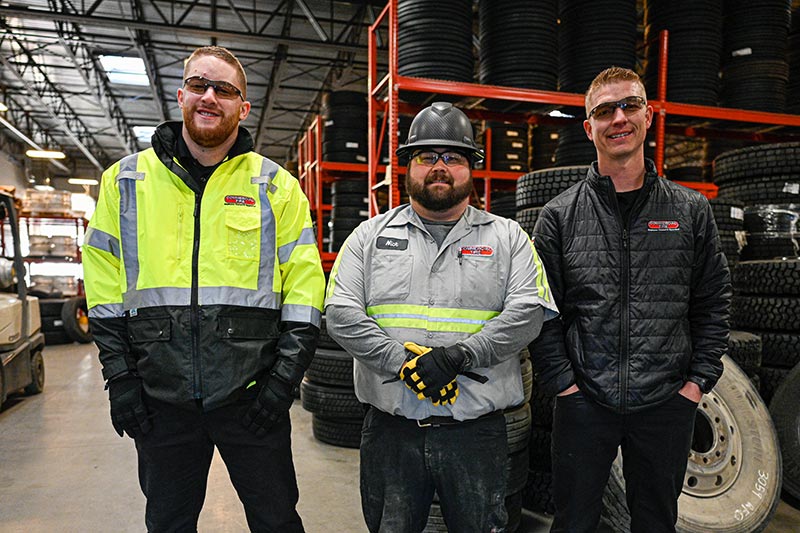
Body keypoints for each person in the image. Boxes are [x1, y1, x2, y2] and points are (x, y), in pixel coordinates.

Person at [83, 45, 325, 532]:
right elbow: (104, 286)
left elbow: (304, 286)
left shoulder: (275, 186)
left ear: (243, 107)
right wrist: (121, 380)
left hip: (252, 396)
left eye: (225, 89)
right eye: (199, 85)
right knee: (168, 523)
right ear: (181, 94)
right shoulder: (125, 181)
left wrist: (283, 384)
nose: (210, 97)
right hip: (161, 397)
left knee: (277, 521)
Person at [324, 101, 558, 532]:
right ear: (408, 167)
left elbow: (528, 314)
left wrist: (457, 358)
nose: (439, 167)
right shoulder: (368, 237)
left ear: (471, 168)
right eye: (426, 156)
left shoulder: (509, 238)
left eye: (453, 157)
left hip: (477, 435)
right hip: (390, 434)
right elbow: (340, 313)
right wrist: (404, 362)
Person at [530, 66, 732, 532]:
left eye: (630, 105)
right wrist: (565, 386)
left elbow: (713, 303)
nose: (618, 118)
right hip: (584, 402)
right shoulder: (558, 217)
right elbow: (542, 312)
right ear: (589, 128)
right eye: (604, 110)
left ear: (648, 116)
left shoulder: (689, 211)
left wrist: (695, 386)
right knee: (574, 522)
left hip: (665, 403)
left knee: (656, 523)